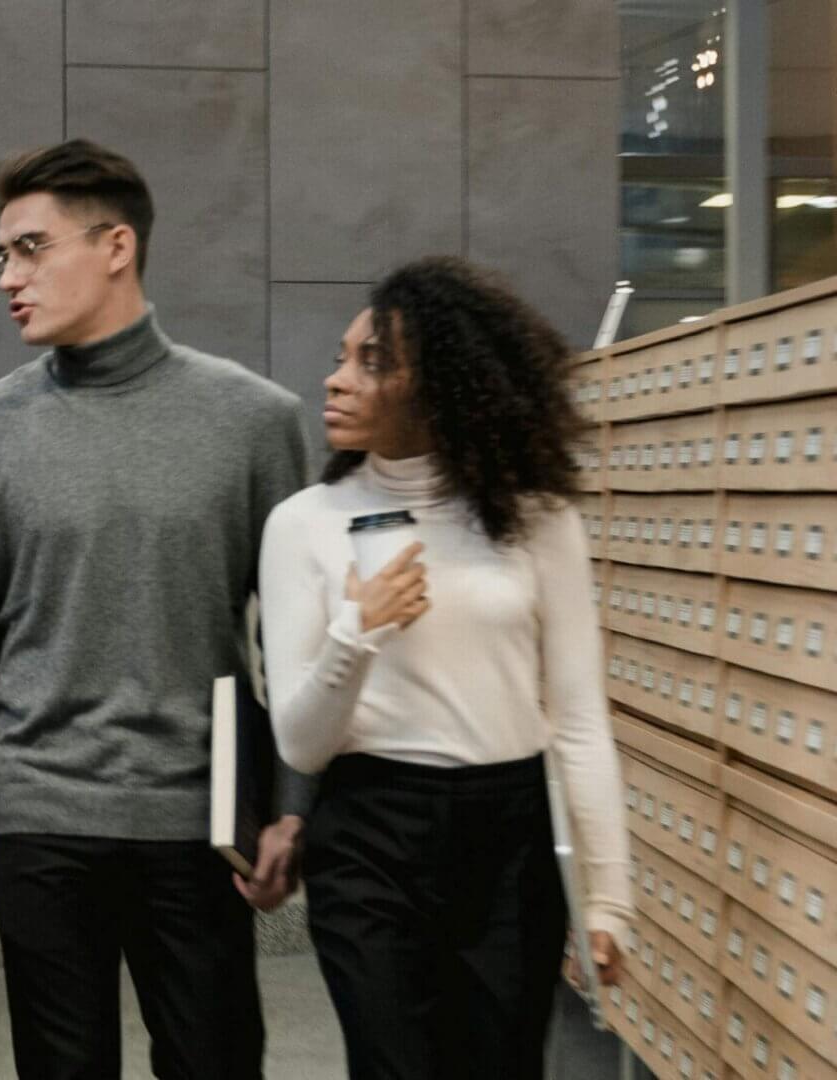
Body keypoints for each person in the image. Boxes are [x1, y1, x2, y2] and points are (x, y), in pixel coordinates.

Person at [0, 139, 316, 1079]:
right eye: (0, 257)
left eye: (31, 248)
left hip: (199, 825)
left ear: (117, 246)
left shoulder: (254, 420)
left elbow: (294, 641)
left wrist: (292, 808)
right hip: (43, 823)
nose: (9, 276)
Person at [257, 256, 631, 1080]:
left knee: (502, 1064)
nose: (337, 380)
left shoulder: (539, 520)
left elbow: (578, 722)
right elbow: (302, 744)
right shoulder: (303, 524)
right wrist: (357, 630)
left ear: (446, 388)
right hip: (370, 833)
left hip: (509, 836)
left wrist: (608, 898)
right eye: (342, 356)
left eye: (373, 362)